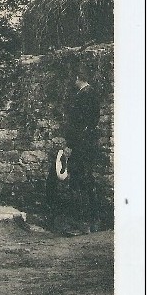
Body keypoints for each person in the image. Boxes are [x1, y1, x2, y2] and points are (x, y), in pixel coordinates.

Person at [63, 66, 101, 234]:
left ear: (78, 77)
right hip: (86, 143)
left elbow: (81, 124)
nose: (73, 82)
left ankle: (84, 222)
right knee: (84, 180)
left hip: (82, 145)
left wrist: (71, 144)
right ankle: (91, 221)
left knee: (80, 180)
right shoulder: (89, 94)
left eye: (74, 78)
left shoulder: (85, 95)